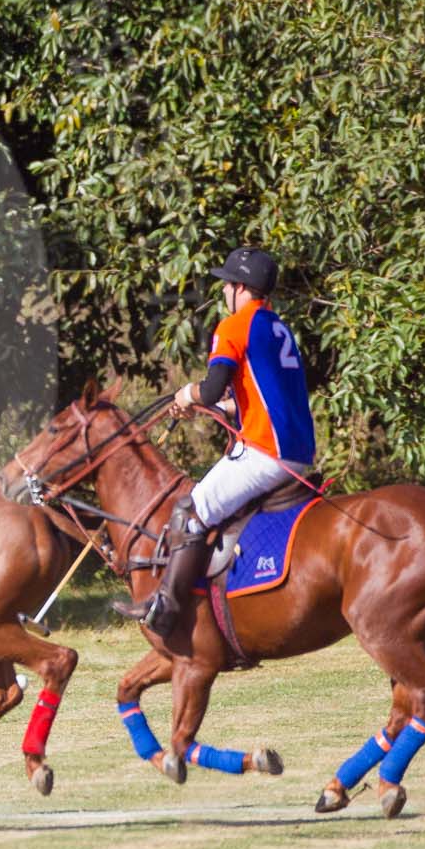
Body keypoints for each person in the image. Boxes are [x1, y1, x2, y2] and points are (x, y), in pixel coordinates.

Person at [113, 245, 315, 636]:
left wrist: (189, 395)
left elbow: (211, 388)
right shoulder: (277, 327)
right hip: (297, 452)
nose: (223, 291)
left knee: (190, 511)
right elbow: (262, 399)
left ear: (241, 287)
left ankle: (165, 607)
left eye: (227, 284)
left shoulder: (234, 327)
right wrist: (220, 410)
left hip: (264, 453)